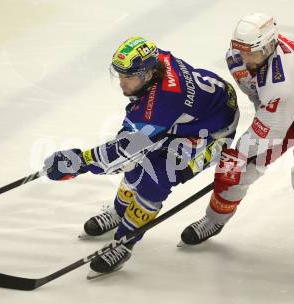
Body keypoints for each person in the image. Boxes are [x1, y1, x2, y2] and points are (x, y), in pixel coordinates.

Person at [179, 13, 294, 294]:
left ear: (271, 45)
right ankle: (213, 221)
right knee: (232, 171)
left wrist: (240, 152)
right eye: (241, 51)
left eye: (254, 53)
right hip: (286, 110)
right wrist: (240, 157)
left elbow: (270, 129)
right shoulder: (238, 58)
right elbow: (261, 100)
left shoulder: (283, 80)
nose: (245, 59)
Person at [43, 36, 239, 279]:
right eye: (120, 75)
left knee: (155, 180)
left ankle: (124, 243)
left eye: (128, 77)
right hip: (189, 118)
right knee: (137, 165)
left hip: (211, 134)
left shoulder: (162, 103)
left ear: (147, 75)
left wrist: (77, 162)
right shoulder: (157, 61)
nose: (121, 83)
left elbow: (121, 153)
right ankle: (119, 211)